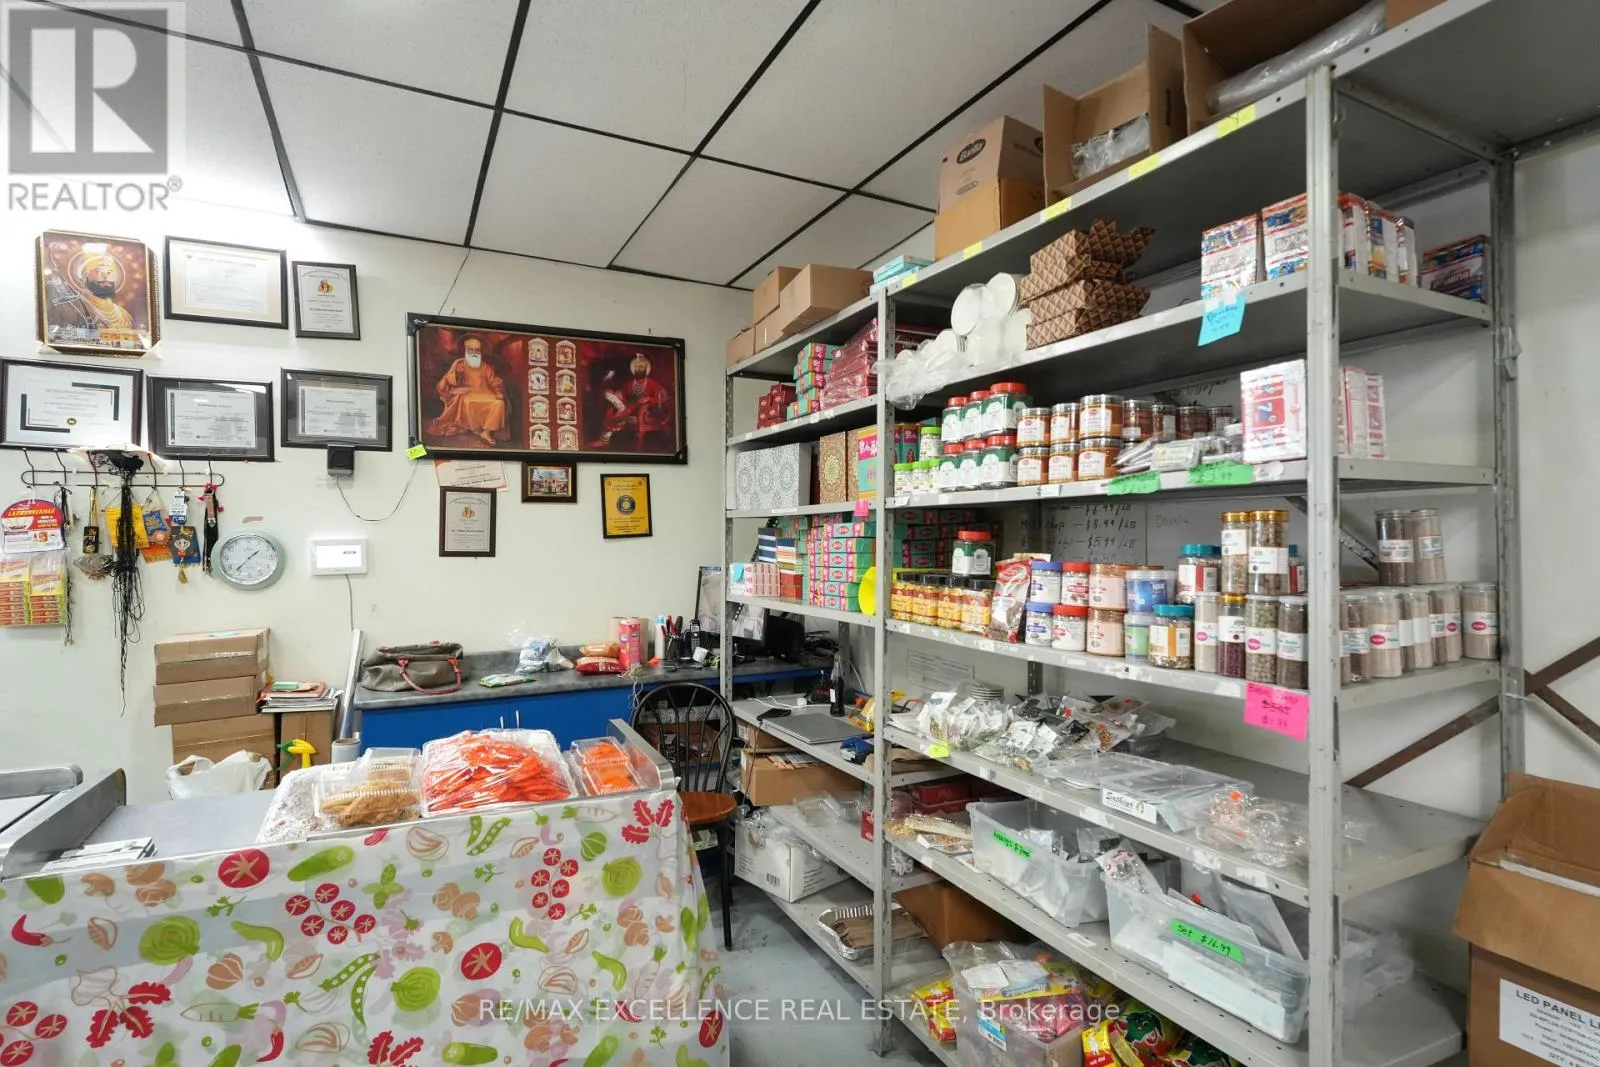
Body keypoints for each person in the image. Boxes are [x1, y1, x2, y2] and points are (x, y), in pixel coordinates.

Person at [428, 338, 507, 445]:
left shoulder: (485, 366)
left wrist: (499, 392)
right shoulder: (459, 363)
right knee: (468, 401)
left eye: (476, 350)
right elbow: (447, 381)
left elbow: (495, 381)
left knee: (499, 403)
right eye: (471, 350)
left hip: (485, 394)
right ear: (466, 350)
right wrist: (457, 373)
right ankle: (475, 428)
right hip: (466, 393)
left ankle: (486, 432)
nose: (474, 353)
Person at [592, 353, 671, 450]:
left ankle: (608, 438)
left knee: (620, 415)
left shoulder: (652, 383)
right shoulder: (628, 383)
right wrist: (619, 394)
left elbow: (661, 399)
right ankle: (605, 439)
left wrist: (648, 399)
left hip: (642, 411)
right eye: (636, 366)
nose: (639, 369)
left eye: (641, 366)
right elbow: (625, 397)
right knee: (608, 396)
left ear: (646, 368)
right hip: (628, 407)